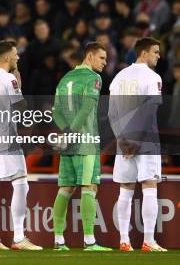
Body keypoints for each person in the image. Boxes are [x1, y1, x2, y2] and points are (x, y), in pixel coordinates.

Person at [0, 40, 42, 250]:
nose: (18, 57)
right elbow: (21, 108)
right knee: (21, 182)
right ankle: (18, 237)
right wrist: (20, 86)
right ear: (6, 57)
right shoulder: (9, 79)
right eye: (15, 54)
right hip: (7, 138)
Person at [52, 42, 112, 251]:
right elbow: (87, 107)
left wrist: (66, 132)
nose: (105, 62)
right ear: (89, 57)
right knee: (89, 187)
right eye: (102, 58)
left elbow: (55, 111)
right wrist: (73, 132)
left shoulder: (65, 78)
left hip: (67, 144)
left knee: (65, 189)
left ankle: (58, 240)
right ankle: (89, 241)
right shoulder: (94, 78)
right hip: (85, 141)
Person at [109, 37, 167, 252]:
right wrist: (134, 140)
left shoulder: (119, 76)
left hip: (123, 142)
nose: (158, 56)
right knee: (149, 187)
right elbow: (149, 110)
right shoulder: (153, 77)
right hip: (145, 139)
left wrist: (121, 140)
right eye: (155, 52)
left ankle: (124, 241)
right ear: (144, 53)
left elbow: (111, 112)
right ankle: (148, 242)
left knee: (126, 189)